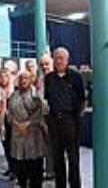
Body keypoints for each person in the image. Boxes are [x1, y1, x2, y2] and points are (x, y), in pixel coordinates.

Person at [44, 47, 85, 188]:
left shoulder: (76, 76)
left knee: (73, 159)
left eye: (62, 58)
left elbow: (82, 100)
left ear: (67, 60)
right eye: (56, 58)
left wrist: (75, 117)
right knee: (57, 159)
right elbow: (47, 99)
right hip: (54, 122)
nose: (59, 60)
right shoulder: (48, 78)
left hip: (71, 122)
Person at [8, 71, 46, 188]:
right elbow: (9, 114)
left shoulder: (37, 95)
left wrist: (27, 124)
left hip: (33, 136)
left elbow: (41, 113)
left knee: (35, 170)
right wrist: (16, 124)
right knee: (21, 170)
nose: (23, 81)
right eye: (21, 78)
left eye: (26, 78)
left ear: (31, 80)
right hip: (18, 136)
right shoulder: (14, 95)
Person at [38, 53, 55, 180]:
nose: (44, 67)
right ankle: (50, 172)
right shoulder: (41, 81)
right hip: (44, 118)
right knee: (48, 147)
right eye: (42, 64)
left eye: (47, 64)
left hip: (58, 119)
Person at [0, 68, 15, 180]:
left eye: (5, 76)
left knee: (13, 146)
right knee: (5, 145)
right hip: (1, 120)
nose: (3, 78)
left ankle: (15, 170)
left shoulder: (13, 90)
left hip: (12, 122)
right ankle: (10, 167)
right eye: (1, 76)